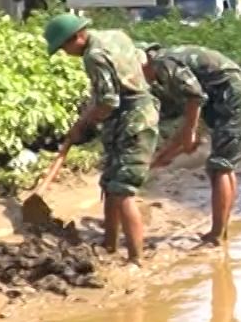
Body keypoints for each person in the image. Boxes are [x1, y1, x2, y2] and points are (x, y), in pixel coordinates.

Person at [44, 14, 159, 265]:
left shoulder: (93, 56)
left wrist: (85, 124)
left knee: (122, 190)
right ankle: (109, 242)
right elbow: (141, 60)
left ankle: (136, 259)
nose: (65, 53)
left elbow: (108, 101)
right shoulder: (115, 34)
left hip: (133, 121)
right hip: (133, 115)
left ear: (78, 37)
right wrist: (84, 118)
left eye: (64, 47)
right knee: (109, 183)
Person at [143, 43, 241, 247]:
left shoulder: (163, 63)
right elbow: (193, 108)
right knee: (223, 167)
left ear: (143, 60)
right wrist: (167, 153)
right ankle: (221, 230)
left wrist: (189, 134)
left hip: (235, 103)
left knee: (219, 167)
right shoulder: (171, 59)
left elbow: (195, 98)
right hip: (235, 101)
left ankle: (216, 234)